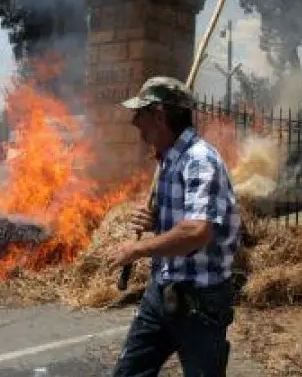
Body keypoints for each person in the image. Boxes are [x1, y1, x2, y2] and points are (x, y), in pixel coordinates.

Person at [108, 76, 241, 377]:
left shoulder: (199, 160)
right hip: (163, 289)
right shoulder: (169, 159)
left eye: (139, 113)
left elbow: (197, 232)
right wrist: (157, 222)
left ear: (159, 115)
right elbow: (186, 223)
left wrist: (138, 248)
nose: (134, 121)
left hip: (200, 300)